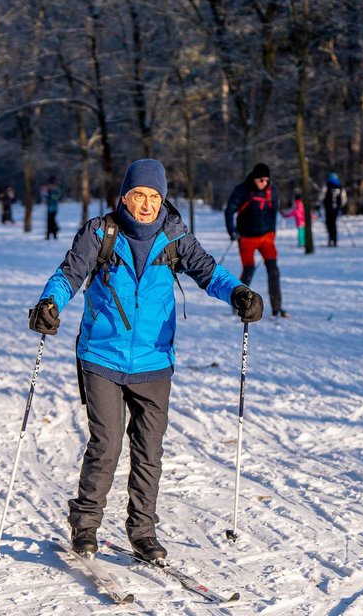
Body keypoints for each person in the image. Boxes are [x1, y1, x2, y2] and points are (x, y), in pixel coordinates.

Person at [29, 158, 263, 560]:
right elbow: (68, 274)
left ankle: (142, 531)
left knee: (149, 450)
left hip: (154, 361)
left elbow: (209, 272)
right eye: (139, 195)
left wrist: (240, 293)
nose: (146, 204)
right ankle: (85, 525)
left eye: (155, 196)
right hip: (102, 354)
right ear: (124, 196)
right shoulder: (100, 233)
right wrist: (50, 302)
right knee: (107, 446)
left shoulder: (174, 238)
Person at [224, 162, 288, 318]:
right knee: (248, 270)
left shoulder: (272, 191)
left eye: (266, 180)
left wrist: (273, 232)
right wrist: (232, 231)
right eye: (261, 180)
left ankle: (276, 307)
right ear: (254, 179)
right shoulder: (242, 190)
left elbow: (273, 213)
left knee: (273, 270)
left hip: (266, 237)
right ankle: (239, 303)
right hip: (246, 237)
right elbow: (229, 211)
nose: (264, 183)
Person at [321, 172, 346, 247]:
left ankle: (330, 238)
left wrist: (320, 203)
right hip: (336, 208)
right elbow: (344, 198)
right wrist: (341, 206)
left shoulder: (327, 185)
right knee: (334, 223)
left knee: (329, 223)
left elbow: (322, 195)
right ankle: (334, 239)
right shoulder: (340, 186)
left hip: (328, 207)